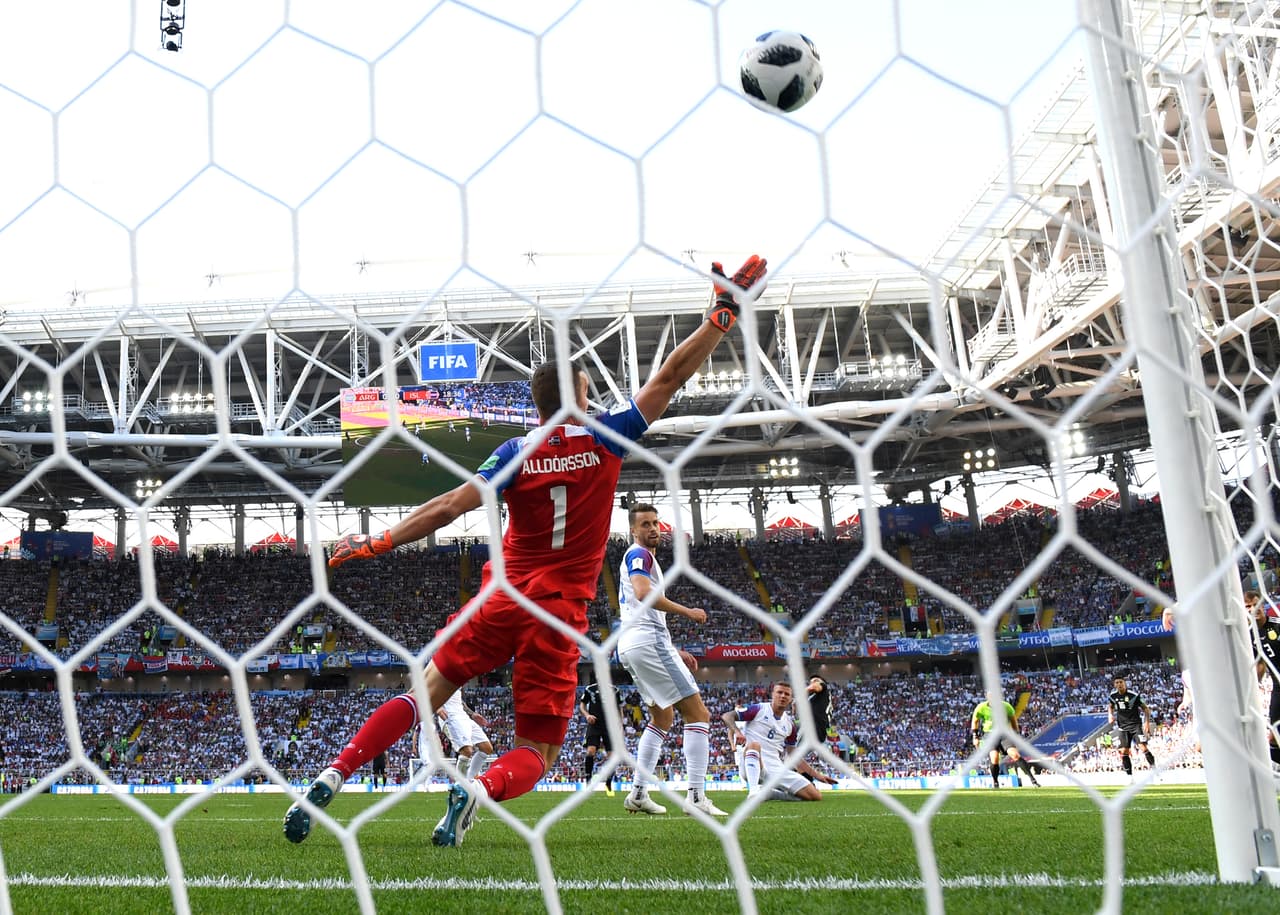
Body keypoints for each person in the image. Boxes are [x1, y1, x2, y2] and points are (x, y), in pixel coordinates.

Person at [283, 255, 767, 847]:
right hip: (559, 614)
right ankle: (480, 790)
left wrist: (374, 541)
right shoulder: (607, 435)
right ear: (582, 395)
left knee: (426, 691)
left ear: (535, 405)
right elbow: (667, 378)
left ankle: (336, 771)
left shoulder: (516, 448)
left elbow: (450, 507)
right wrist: (720, 319)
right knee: (537, 749)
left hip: (503, 595)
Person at [616, 503, 726, 817]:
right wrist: (687, 612)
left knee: (662, 719)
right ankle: (695, 796)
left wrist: (672, 648)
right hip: (648, 641)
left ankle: (638, 793)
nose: (653, 529)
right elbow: (641, 593)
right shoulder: (639, 555)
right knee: (698, 715)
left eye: (655, 523)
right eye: (645, 524)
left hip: (634, 643)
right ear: (633, 530)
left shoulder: (641, 557)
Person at [723, 682, 834, 801]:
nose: (783, 696)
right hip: (753, 764)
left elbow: (794, 756)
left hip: (775, 768)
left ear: (791, 699)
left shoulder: (790, 725)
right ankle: (754, 791)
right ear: (773, 695)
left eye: (787, 694)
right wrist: (737, 732)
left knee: (815, 796)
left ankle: (768, 793)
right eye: (779, 692)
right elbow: (727, 716)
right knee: (754, 745)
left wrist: (818, 776)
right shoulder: (759, 709)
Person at [970, 695, 1039, 788]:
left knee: (1015, 755)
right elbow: (975, 721)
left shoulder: (1006, 706)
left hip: (1005, 734)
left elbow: (1013, 720)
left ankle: (1033, 780)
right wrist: (975, 736)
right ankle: (995, 782)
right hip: (990, 735)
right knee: (994, 758)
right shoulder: (981, 707)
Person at [435, 689, 494, 781]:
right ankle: (460, 785)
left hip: (463, 716)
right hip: (449, 717)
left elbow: (458, 700)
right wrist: (437, 707)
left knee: (487, 748)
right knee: (467, 751)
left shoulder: (458, 679)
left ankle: (470, 779)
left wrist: (472, 714)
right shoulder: (438, 675)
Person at [1248, 592, 1280, 766]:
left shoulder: (1277, 624)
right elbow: (1260, 664)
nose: (1253, 609)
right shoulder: (1249, 635)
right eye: (1248, 606)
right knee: (1274, 736)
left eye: (1256, 604)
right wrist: (1253, 687)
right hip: (1278, 686)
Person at [578, 674, 622, 796]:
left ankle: (608, 782)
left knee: (612, 756)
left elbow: (619, 708)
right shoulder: (589, 689)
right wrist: (587, 715)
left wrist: (620, 724)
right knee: (591, 751)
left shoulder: (614, 690)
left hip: (610, 726)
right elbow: (582, 705)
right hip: (595, 724)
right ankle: (588, 781)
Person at [1107, 674, 1155, 778]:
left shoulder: (1134, 695)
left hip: (1135, 725)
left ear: (1125, 683)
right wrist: (1110, 715)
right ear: (1114, 684)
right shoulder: (1113, 696)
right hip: (1122, 727)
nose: (1119, 684)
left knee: (1143, 747)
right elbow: (1110, 706)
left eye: (1121, 682)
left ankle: (1155, 769)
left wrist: (1146, 722)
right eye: (1117, 683)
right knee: (1124, 751)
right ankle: (1130, 777)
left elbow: (1145, 709)